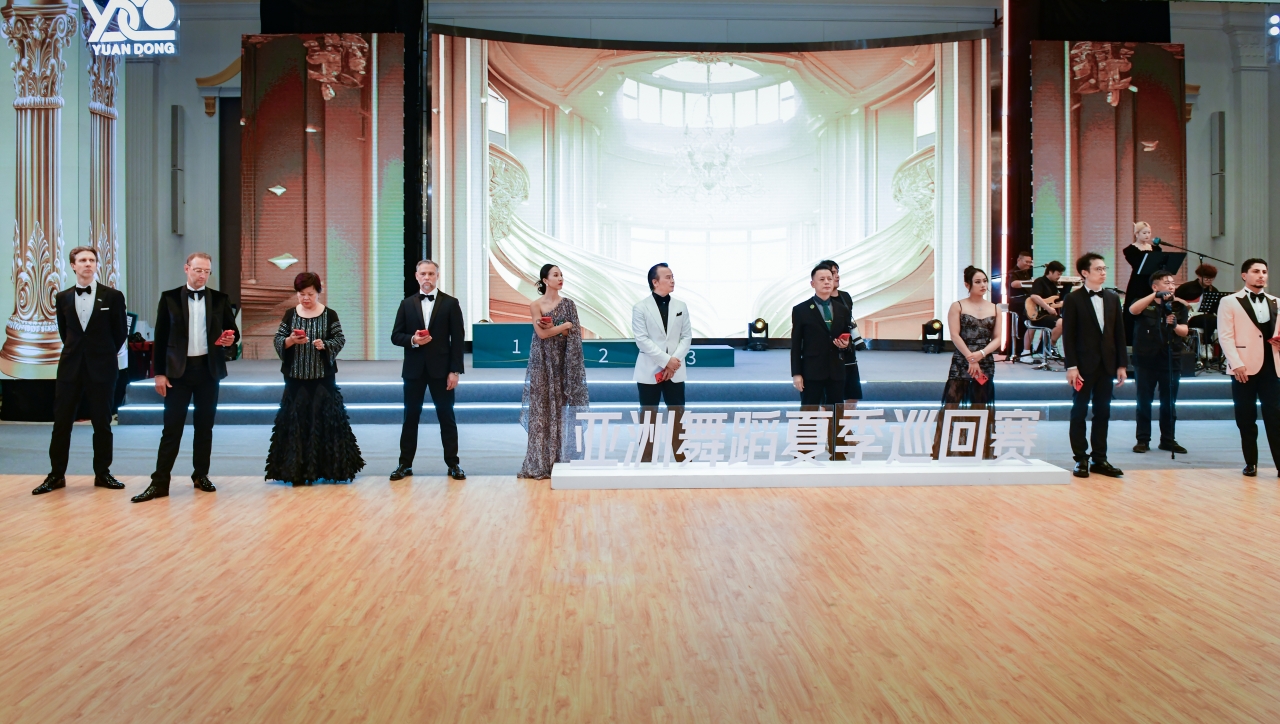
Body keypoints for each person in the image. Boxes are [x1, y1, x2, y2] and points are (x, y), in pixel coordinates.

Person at [132, 252, 241, 503]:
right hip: (176, 372)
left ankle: (200, 475)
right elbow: (160, 338)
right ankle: (159, 482)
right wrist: (159, 373)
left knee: (204, 427)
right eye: (198, 270)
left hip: (208, 371)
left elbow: (232, 333)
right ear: (186, 269)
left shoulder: (220, 299)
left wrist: (230, 340)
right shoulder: (169, 298)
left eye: (207, 271)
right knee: (172, 428)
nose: (202, 275)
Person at [34, 246, 129, 495]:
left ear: (96, 265)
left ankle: (103, 473)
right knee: (62, 423)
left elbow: (120, 332)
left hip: (102, 368)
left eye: (92, 260)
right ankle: (56, 475)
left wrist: (102, 353)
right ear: (73, 265)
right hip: (70, 367)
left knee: (102, 422)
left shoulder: (113, 296)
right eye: (83, 260)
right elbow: (65, 331)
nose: (88, 264)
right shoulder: (62, 297)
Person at [263, 272, 364, 486]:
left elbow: (339, 339)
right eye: (301, 294)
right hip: (295, 378)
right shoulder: (290, 314)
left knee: (326, 421)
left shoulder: (330, 315)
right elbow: (278, 340)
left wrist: (325, 345)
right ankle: (296, 471)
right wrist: (291, 340)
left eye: (310, 294)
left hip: (322, 378)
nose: (306, 298)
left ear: (319, 292)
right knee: (296, 422)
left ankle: (329, 469)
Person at [390, 260, 467, 481]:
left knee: (446, 417)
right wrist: (413, 340)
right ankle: (404, 464)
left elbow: (458, 339)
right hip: (413, 370)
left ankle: (453, 464)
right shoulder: (406, 304)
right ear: (416, 276)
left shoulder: (450, 303)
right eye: (423, 274)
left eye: (431, 274)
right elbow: (396, 336)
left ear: (437, 276)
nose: (427, 277)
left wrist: (455, 371)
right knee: (410, 418)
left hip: (442, 371)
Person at [519, 264, 589, 479]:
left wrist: (559, 329)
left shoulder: (569, 304)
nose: (560, 278)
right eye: (556, 275)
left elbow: (574, 333)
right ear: (545, 280)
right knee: (542, 410)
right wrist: (563, 326)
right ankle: (542, 461)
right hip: (542, 362)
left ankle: (564, 458)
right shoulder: (535, 305)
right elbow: (541, 334)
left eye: (561, 275)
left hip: (565, 363)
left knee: (563, 409)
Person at [1062, 252, 1128, 478]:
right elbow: (1068, 336)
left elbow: (1119, 333)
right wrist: (1071, 366)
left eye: (1104, 268)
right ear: (1085, 273)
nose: (1103, 272)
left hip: (1107, 365)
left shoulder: (1112, 298)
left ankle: (1100, 458)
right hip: (1082, 366)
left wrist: (1122, 364)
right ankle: (1080, 458)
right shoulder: (1073, 299)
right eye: (1098, 269)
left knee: (1103, 412)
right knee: (1079, 411)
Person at [1218, 258, 1280, 477]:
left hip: (1272, 366)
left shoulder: (1276, 301)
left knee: (1276, 417)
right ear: (1244, 275)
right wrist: (1236, 364)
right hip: (1243, 368)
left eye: (1264, 271)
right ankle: (1251, 462)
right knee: (1245, 417)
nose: (1261, 275)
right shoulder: (1230, 301)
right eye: (1256, 271)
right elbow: (1225, 336)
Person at [936, 266, 1003, 458]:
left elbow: (998, 338)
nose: (983, 285)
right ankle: (944, 450)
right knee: (952, 403)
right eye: (978, 282)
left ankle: (979, 450)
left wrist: (981, 354)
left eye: (985, 281)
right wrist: (970, 357)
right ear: (967, 285)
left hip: (985, 361)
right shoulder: (958, 306)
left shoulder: (995, 308)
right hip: (962, 360)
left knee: (980, 404)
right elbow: (955, 335)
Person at [632, 263, 692, 461]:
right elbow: (642, 340)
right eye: (667, 277)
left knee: (678, 412)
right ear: (655, 282)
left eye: (672, 276)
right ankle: (647, 455)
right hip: (650, 369)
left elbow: (686, 337)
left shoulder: (681, 306)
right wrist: (667, 361)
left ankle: (681, 454)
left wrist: (674, 362)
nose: (672, 280)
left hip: (675, 370)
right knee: (649, 414)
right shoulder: (640, 307)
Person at [791, 264, 853, 457]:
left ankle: (838, 450)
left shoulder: (842, 309)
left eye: (829, 279)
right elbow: (796, 344)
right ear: (813, 284)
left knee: (837, 411)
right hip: (811, 369)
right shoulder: (801, 310)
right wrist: (796, 373)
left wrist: (846, 345)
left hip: (836, 368)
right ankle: (804, 450)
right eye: (822, 279)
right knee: (808, 410)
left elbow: (847, 338)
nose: (827, 282)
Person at [1127, 270, 1190, 455]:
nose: (1171, 286)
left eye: (1173, 283)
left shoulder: (1178, 306)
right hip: (1145, 359)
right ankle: (1143, 440)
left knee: (1169, 402)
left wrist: (1175, 325)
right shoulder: (1143, 303)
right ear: (1155, 286)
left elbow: (1185, 331)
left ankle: (1168, 440)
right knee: (1144, 401)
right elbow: (1133, 310)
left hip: (1170, 359)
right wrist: (1155, 295)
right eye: (1166, 283)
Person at [820, 260, 863, 407]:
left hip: (848, 352)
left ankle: (840, 423)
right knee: (829, 400)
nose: (837, 276)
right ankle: (832, 423)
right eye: (833, 273)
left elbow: (848, 322)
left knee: (853, 396)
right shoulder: (819, 301)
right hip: (828, 355)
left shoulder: (846, 297)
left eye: (837, 272)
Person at [1122, 221, 1159, 342]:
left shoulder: (1156, 249)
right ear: (1137, 234)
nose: (1147, 235)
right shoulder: (1130, 250)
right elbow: (1137, 264)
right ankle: (1131, 340)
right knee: (1135, 307)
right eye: (1144, 233)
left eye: (1149, 233)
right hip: (1138, 283)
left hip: (1153, 282)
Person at [1024, 260, 1066, 353]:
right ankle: (1049, 346)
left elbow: (1052, 302)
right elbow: (1034, 296)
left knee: (1066, 323)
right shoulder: (1040, 281)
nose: (1059, 276)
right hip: (1038, 314)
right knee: (1061, 323)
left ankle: (1048, 345)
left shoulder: (1053, 285)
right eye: (1058, 274)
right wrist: (1048, 308)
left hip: (1047, 314)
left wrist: (1062, 303)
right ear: (1050, 271)